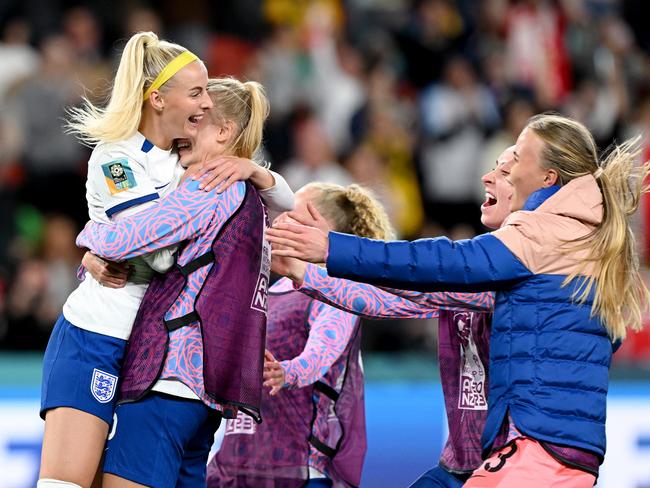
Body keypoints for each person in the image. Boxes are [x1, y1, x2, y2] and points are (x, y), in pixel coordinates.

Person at [267, 114, 650, 486]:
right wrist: (304, 272)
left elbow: (427, 272)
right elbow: (392, 297)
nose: (489, 175)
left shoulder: (520, 261)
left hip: (517, 456)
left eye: (507, 168)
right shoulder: (511, 258)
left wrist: (330, 252)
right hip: (466, 462)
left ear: (539, 185)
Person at [39, 30, 292, 488]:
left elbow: (280, 208)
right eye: (196, 92)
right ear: (158, 99)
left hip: (147, 349)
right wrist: (91, 245)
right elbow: (154, 256)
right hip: (98, 334)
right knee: (66, 485)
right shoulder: (116, 158)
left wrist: (257, 170)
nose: (202, 105)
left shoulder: (188, 164)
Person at [206, 182, 392, 488]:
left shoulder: (335, 295)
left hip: (299, 468)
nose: (279, 221)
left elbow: (320, 355)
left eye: (293, 216)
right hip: (232, 465)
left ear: (324, 232)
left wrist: (286, 372)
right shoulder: (262, 288)